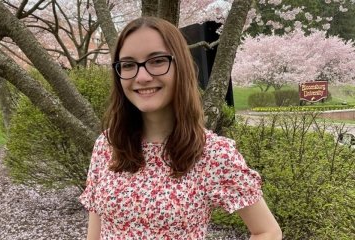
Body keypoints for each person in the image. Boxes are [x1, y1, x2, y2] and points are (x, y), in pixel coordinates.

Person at [79, 16, 282, 240]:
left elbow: (267, 231)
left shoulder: (212, 154)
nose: (142, 76)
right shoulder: (108, 145)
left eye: (157, 61)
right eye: (128, 65)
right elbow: (96, 230)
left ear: (181, 67)